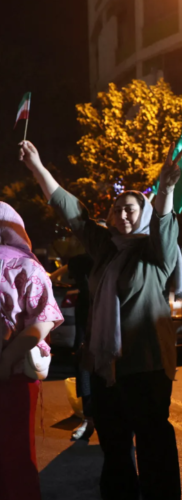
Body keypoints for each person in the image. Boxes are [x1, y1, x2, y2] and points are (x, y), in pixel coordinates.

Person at [20, 139, 182, 500]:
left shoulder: (155, 253)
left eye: (131, 210)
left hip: (145, 366)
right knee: (114, 447)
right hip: (105, 369)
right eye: (117, 210)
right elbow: (74, 213)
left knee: (154, 445)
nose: (123, 215)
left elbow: (164, 224)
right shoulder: (106, 249)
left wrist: (166, 188)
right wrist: (37, 166)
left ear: (143, 214)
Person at [0, 202, 64, 500]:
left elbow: (43, 321)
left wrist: (6, 360)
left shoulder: (24, 266)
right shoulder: (29, 266)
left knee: (13, 455)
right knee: (15, 456)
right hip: (12, 374)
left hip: (12, 377)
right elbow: (44, 320)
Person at [69, 252, 96, 440]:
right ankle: (89, 419)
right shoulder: (83, 294)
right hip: (87, 341)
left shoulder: (98, 291)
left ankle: (92, 420)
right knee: (84, 373)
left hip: (104, 340)